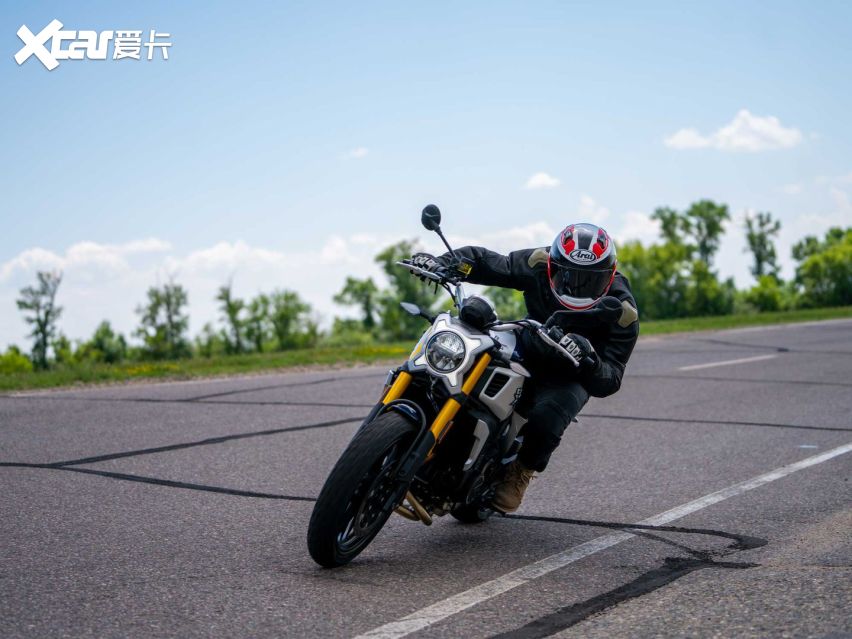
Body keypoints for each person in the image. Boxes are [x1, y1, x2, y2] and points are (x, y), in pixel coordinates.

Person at [410, 222, 639, 512]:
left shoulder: (623, 312)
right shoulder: (537, 263)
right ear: (552, 265)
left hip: (572, 373)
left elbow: (612, 376)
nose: (576, 285)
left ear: (610, 275)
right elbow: (490, 263)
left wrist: (590, 360)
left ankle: (521, 470)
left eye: (589, 280)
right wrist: (443, 262)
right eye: (567, 275)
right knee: (469, 358)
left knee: (546, 418)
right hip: (529, 341)